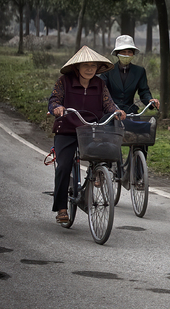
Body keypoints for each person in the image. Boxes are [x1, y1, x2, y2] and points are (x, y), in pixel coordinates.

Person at [48, 45, 126, 224]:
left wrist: (116, 111)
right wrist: (57, 108)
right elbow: (54, 100)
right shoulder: (64, 81)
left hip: (91, 129)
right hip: (67, 130)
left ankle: (98, 173)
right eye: (86, 65)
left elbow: (109, 104)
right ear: (77, 67)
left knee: (103, 153)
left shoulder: (100, 84)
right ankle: (61, 208)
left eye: (93, 66)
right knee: (63, 166)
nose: (90, 69)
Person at [99, 34, 160, 117]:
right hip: (111, 114)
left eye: (129, 52)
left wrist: (150, 100)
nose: (126, 55)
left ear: (133, 53)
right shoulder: (107, 71)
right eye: (123, 52)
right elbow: (100, 90)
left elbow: (143, 91)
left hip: (130, 112)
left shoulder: (139, 71)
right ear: (117, 53)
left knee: (143, 128)